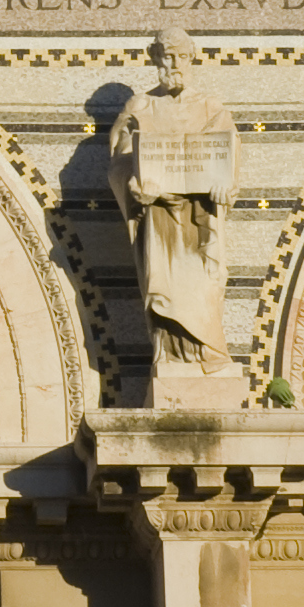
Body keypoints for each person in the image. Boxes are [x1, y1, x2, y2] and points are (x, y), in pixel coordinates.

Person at [106, 28, 239, 389]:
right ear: (155, 59)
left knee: (206, 289)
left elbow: (229, 157)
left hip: (201, 219)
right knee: (161, 291)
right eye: (167, 56)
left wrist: (224, 185)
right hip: (159, 218)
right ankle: (172, 355)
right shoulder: (141, 107)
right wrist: (133, 185)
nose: (174, 63)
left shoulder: (211, 107)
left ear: (192, 56)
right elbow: (119, 159)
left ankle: (207, 352)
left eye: (180, 55)